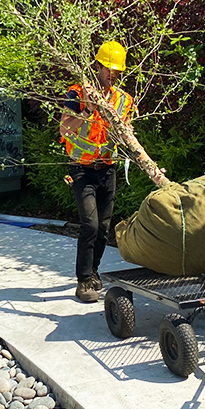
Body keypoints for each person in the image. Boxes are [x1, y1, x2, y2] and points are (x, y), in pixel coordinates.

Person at [59, 41, 136, 303]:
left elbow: (128, 133)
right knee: (90, 224)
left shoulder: (124, 100)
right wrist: (89, 110)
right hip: (82, 169)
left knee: (104, 228)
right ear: (98, 65)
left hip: (107, 170)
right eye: (108, 68)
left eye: (116, 70)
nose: (112, 74)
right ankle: (83, 281)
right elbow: (65, 129)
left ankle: (94, 272)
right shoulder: (78, 94)